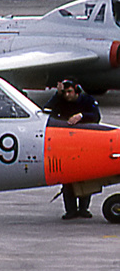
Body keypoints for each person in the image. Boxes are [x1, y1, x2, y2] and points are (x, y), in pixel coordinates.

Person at [48, 79, 102, 219]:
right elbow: (47, 111)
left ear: (76, 91)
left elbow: (96, 116)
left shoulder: (87, 100)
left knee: (85, 178)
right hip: (66, 144)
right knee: (67, 181)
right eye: (65, 92)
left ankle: (84, 209)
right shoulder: (61, 101)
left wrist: (81, 116)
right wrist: (57, 95)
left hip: (84, 142)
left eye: (70, 92)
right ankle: (70, 210)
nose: (67, 95)